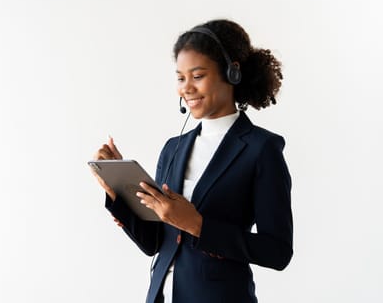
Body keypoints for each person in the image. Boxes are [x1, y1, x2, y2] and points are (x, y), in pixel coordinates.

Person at [92, 19, 293, 303]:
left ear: (231, 73)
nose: (186, 88)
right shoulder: (173, 149)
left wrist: (199, 226)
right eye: (180, 77)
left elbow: (278, 251)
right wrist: (115, 190)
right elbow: (155, 244)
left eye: (197, 76)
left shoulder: (261, 149)